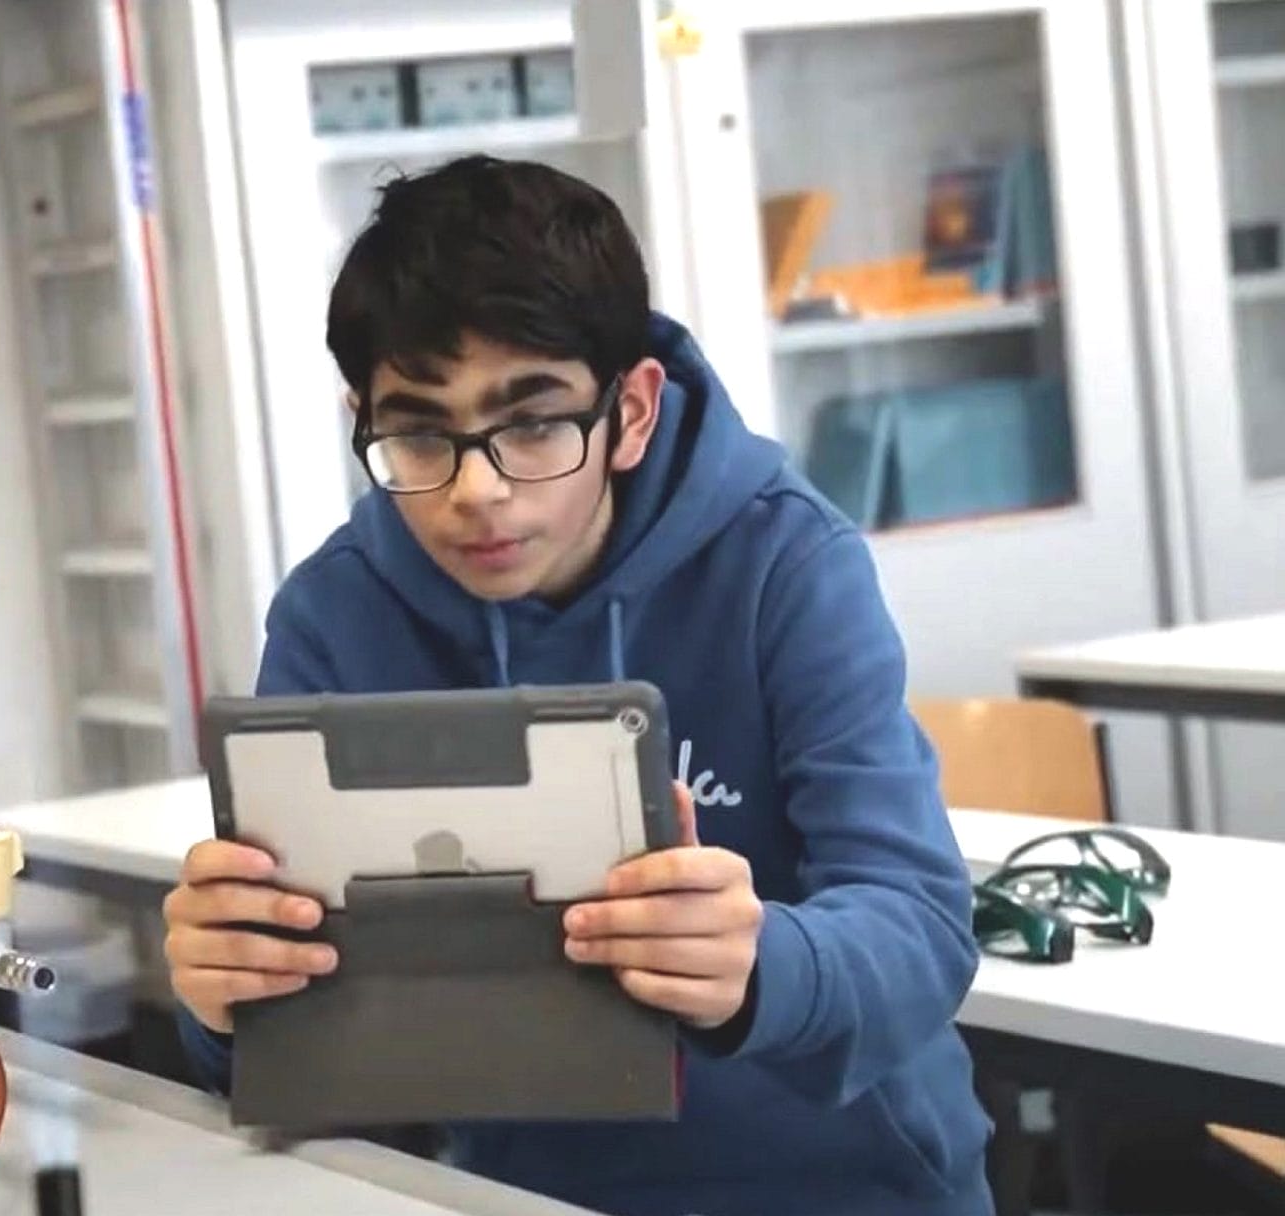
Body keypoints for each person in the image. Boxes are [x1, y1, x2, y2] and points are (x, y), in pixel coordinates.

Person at [163, 155, 992, 1216]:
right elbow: (297, 1042)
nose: (478, 489)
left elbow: (922, 930)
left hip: (845, 1186)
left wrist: (760, 965)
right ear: (363, 419)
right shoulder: (334, 615)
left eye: (534, 423)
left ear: (632, 412)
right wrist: (227, 1002)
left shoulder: (785, 563)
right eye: (420, 433)